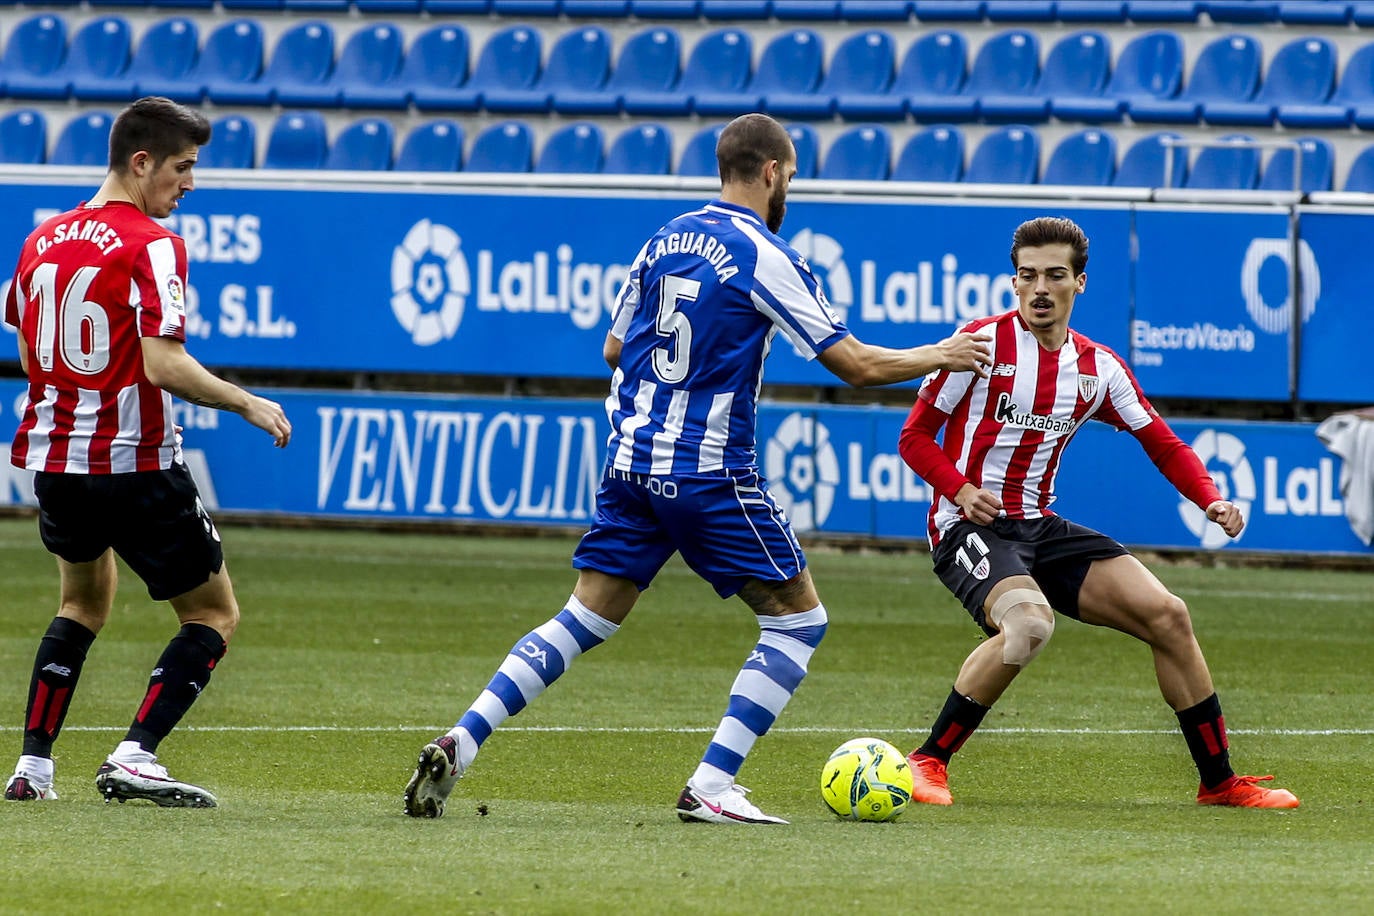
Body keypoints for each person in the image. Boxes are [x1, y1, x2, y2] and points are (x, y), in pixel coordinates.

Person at [403, 113, 993, 823]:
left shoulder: (662, 241)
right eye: (793, 175)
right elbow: (856, 365)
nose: (790, 188)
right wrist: (944, 352)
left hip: (630, 461)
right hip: (708, 472)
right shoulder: (765, 254)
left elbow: (614, 350)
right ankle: (712, 784)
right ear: (773, 171)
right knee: (797, 622)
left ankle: (462, 740)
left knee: (583, 616)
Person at [897, 216, 1299, 810]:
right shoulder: (979, 345)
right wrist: (958, 490)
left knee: (1169, 615)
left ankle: (1219, 782)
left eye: (1054, 275)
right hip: (966, 525)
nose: (1039, 288)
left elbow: (1162, 441)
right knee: (1030, 625)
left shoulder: (1097, 368)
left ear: (1079, 283)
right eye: (1027, 276)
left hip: (1038, 524)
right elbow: (915, 437)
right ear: (1013, 282)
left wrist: (1210, 497)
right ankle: (928, 761)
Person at [2, 97, 292, 807]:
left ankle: (32, 768)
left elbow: (28, 348)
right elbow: (164, 365)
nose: (189, 184)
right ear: (141, 163)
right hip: (135, 463)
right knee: (212, 614)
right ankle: (136, 753)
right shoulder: (153, 244)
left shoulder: (43, 239)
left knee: (81, 602)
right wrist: (247, 401)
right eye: (182, 167)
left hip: (58, 463)